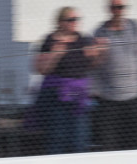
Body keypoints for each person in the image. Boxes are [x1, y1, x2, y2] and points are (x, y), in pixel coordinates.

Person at [34, 7, 102, 154]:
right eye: (70, 19)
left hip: (79, 97)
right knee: (58, 137)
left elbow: (92, 65)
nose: (74, 22)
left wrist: (97, 54)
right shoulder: (50, 40)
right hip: (57, 97)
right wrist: (54, 55)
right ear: (60, 22)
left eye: (76, 19)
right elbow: (41, 69)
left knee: (80, 138)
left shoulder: (83, 39)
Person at [92, 1, 137, 151]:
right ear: (109, 9)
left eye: (121, 7)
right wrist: (95, 89)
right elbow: (93, 65)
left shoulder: (135, 27)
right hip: (109, 99)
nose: (118, 11)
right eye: (115, 7)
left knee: (135, 142)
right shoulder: (100, 32)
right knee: (109, 143)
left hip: (134, 97)